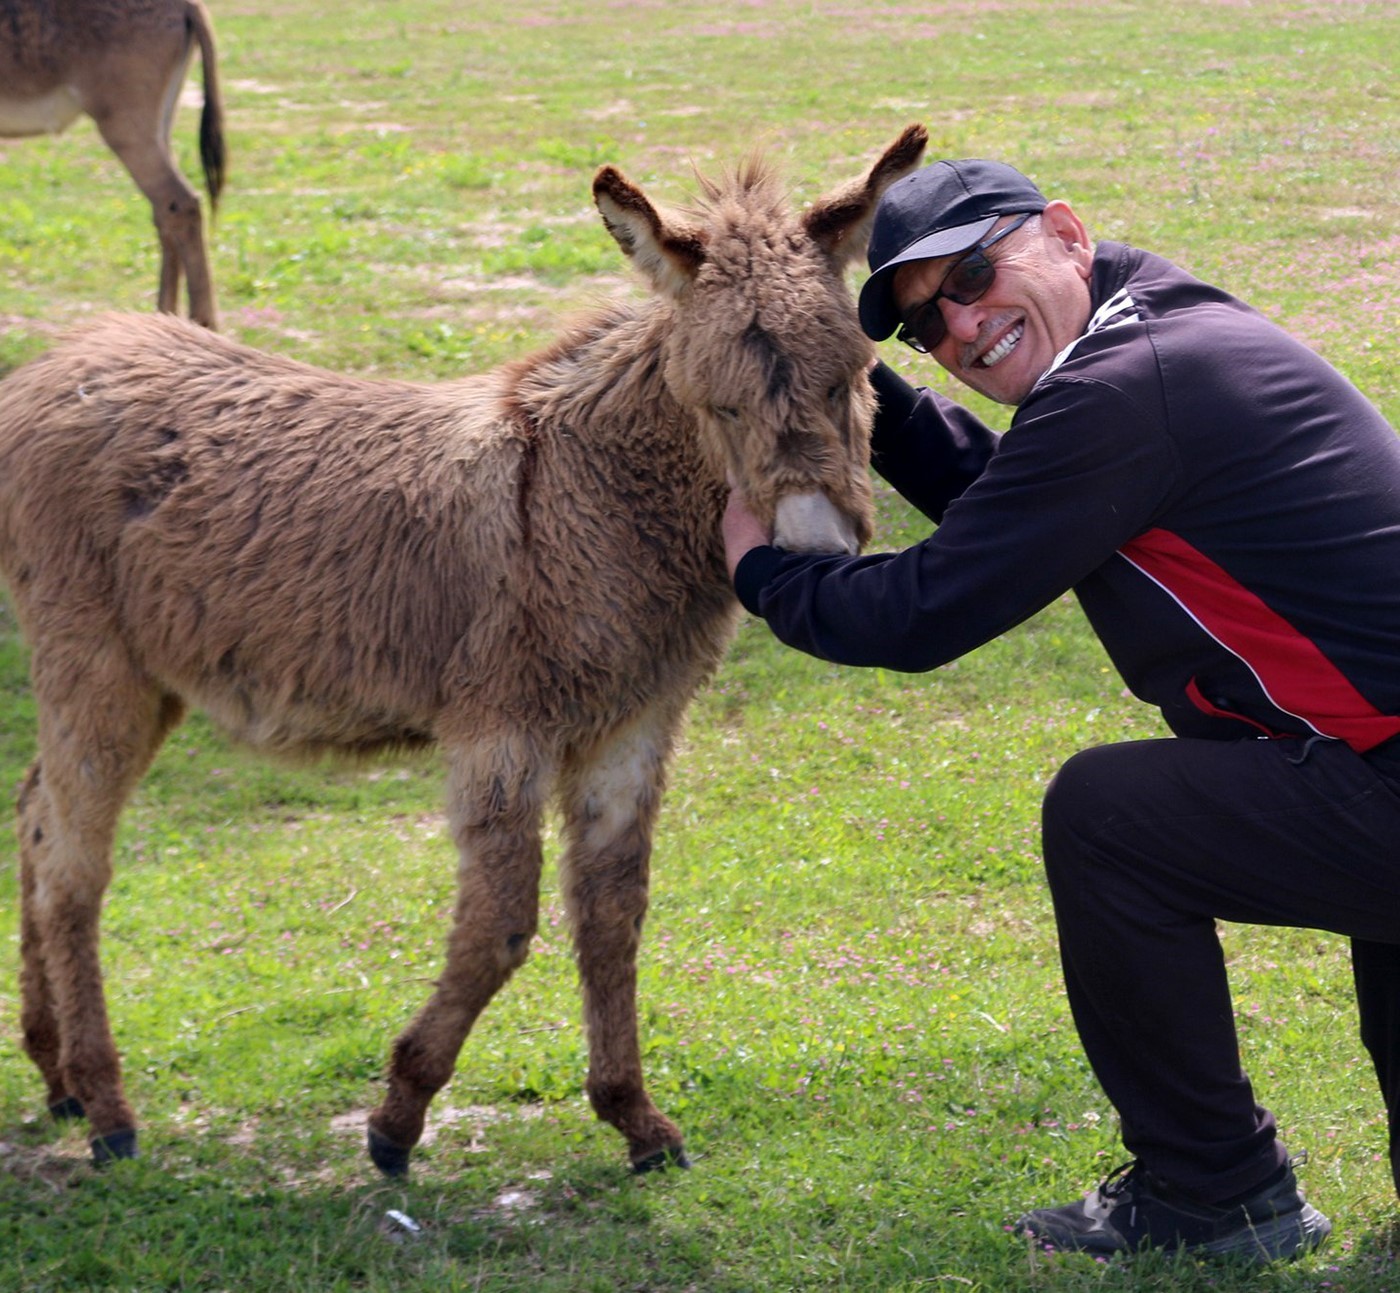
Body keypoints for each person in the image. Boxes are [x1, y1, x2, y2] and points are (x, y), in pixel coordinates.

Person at [722, 156, 1400, 1262]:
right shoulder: (1148, 330)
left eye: (975, 273)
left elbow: (921, 612)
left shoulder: (1126, 392)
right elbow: (1026, 501)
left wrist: (765, 576)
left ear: (1064, 234)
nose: (961, 324)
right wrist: (863, 386)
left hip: (1377, 779)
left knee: (1108, 818)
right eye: (923, 324)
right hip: (1367, 769)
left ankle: (1212, 1192)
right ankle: (1219, 1193)